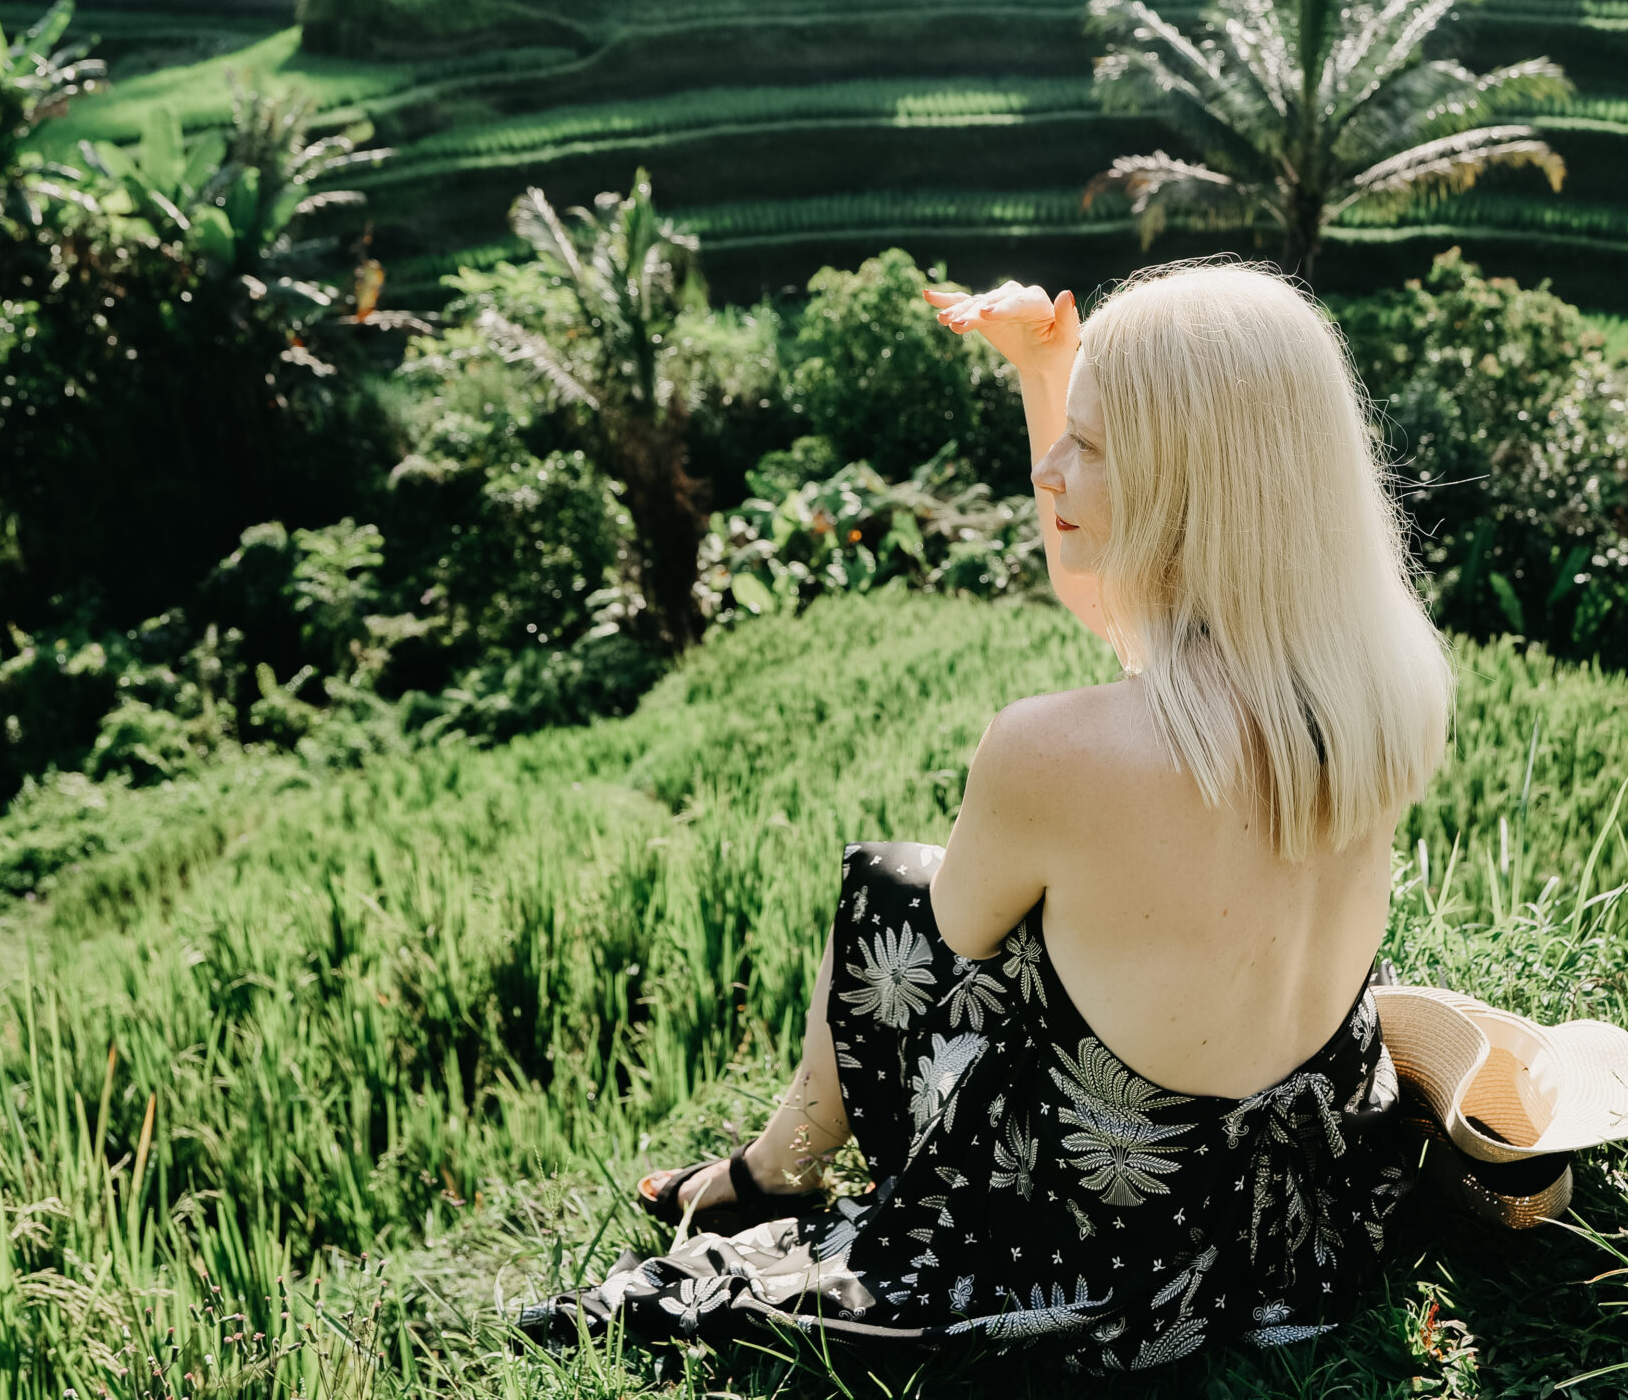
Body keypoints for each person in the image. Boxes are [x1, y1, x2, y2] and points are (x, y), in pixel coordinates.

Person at [525, 261, 1453, 1372]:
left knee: (887, 888)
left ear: (1192, 484)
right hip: (1293, 1211)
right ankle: (770, 1162)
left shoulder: (1052, 746)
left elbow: (960, 935)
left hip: (1109, 1233)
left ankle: (775, 1167)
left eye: (1094, 446)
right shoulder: (1383, 684)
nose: (1051, 467)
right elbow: (1115, 591)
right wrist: (1048, 370)